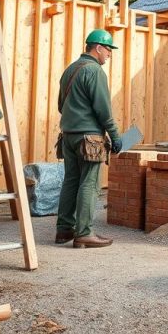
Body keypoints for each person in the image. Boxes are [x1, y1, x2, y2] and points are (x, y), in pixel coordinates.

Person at [55, 29, 123, 249]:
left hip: (68, 136)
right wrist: (115, 135)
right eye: (109, 49)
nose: (110, 54)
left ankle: (64, 229)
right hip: (89, 138)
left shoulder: (69, 70)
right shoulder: (95, 71)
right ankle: (84, 233)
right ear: (98, 48)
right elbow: (103, 110)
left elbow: (60, 106)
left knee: (71, 181)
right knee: (89, 184)